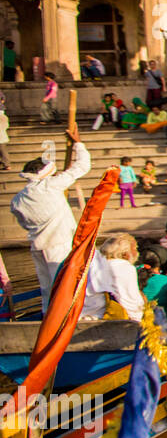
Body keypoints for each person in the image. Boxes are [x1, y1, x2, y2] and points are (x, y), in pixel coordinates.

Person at [11, 131, 91, 310]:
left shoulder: (17, 200)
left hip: (37, 246)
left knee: (47, 289)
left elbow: (24, 223)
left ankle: (49, 318)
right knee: (64, 286)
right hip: (59, 245)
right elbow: (83, 166)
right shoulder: (50, 185)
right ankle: (64, 319)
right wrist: (78, 144)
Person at [81, 233, 145, 322]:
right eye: (135, 249)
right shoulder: (124, 266)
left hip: (84, 315)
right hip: (108, 319)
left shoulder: (93, 265)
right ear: (125, 254)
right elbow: (130, 303)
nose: (136, 253)